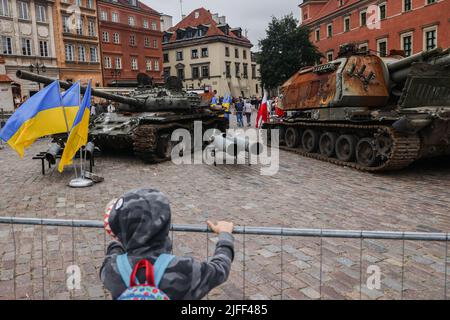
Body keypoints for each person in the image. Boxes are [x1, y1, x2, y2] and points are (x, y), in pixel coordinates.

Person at [100, 188, 235, 300]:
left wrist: (120, 230)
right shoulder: (185, 269)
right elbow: (220, 268)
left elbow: (115, 248)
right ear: (164, 223)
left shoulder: (111, 269)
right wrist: (225, 234)